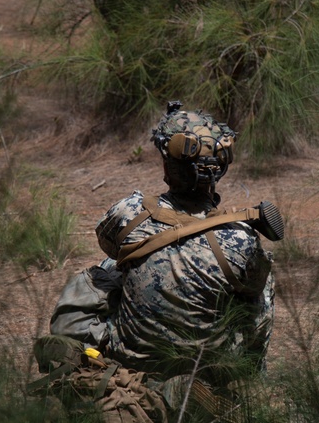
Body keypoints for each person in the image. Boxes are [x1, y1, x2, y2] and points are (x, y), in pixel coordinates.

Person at [49, 101, 277, 389]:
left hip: (131, 361)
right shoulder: (242, 239)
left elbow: (109, 247)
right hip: (207, 370)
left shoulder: (129, 213)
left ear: (168, 166)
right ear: (221, 171)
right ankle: (248, 380)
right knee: (261, 286)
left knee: (108, 269)